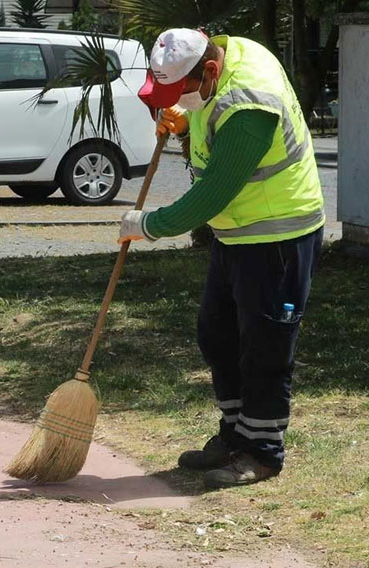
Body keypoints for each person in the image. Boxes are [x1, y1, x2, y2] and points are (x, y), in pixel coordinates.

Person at [119, 28, 325, 488]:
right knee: (217, 334)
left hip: (278, 235)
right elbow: (209, 116)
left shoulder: (250, 105)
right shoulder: (227, 56)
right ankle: (235, 434)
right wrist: (186, 121)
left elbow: (213, 192)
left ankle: (262, 451)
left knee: (266, 347)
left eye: (181, 92)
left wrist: (148, 225)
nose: (176, 100)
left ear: (209, 71)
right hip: (237, 233)